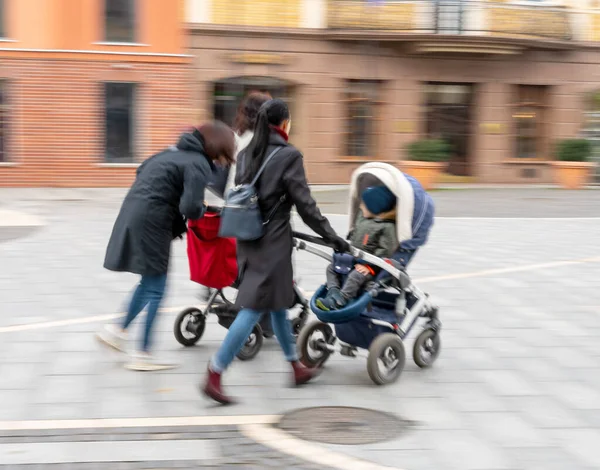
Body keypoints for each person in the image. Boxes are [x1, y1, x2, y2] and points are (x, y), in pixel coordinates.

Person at [201, 99, 349, 404]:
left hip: (248, 239)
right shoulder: (289, 155)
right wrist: (333, 237)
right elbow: (306, 206)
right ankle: (215, 373)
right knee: (254, 308)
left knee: (279, 303)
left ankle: (295, 366)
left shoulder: (247, 153)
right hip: (273, 243)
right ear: (283, 124)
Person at [97, 122, 236, 371]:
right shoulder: (198, 163)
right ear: (217, 147)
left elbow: (142, 171)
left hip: (133, 212)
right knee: (157, 288)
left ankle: (116, 332)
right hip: (152, 222)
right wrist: (203, 208)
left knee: (149, 283)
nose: (224, 161)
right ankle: (143, 353)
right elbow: (190, 208)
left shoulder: (169, 153)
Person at [200, 91, 272, 304]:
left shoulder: (237, 135)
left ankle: (216, 287)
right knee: (259, 258)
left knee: (237, 253)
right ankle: (254, 302)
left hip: (231, 202)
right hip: (249, 206)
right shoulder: (259, 141)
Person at [317, 186, 397, 311]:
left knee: (355, 276)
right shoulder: (363, 219)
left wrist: (369, 266)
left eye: (364, 205)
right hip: (353, 260)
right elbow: (354, 239)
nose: (360, 207)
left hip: (371, 268)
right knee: (331, 268)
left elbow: (386, 252)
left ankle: (341, 300)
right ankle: (333, 292)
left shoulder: (387, 227)